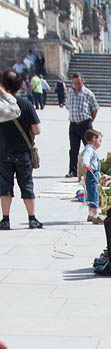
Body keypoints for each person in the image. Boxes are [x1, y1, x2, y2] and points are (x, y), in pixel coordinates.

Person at [0, 70, 42, 230]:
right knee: (26, 185)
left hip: (3, 151)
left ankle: (5, 219)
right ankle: (32, 218)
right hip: (23, 151)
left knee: (5, 186)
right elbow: (37, 130)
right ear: (19, 85)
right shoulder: (25, 104)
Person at [65, 73, 98, 178]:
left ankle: (93, 168)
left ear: (82, 81)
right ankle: (73, 171)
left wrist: (90, 121)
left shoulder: (88, 93)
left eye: (78, 82)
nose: (76, 85)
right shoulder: (69, 92)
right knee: (73, 149)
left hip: (85, 124)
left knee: (89, 148)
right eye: (74, 83)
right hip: (73, 124)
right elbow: (67, 106)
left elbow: (95, 108)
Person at [82, 128, 103, 224]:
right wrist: (86, 164)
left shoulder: (90, 149)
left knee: (91, 194)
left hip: (92, 174)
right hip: (91, 174)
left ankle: (90, 214)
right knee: (94, 194)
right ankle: (95, 215)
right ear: (94, 139)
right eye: (99, 140)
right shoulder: (89, 149)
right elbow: (86, 158)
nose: (100, 143)